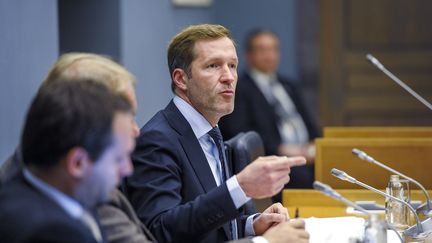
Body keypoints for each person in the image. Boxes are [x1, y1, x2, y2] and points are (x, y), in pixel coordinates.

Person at [124, 24, 307, 243]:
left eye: (232, 65)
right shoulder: (157, 140)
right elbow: (160, 230)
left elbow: (211, 221)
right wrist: (241, 187)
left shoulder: (211, 129)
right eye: (213, 66)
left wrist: (252, 225)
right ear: (181, 79)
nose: (228, 77)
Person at [0, 80, 135, 242]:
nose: (128, 169)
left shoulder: (23, 189)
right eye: (118, 159)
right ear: (77, 163)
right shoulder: (54, 234)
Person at [219, 29, 319, 192]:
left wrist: (316, 145)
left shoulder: (289, 85)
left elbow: (309, 123)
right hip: (273, 159)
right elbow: (239, 131)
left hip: (307, 153)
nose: (269, 55)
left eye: (273, 49)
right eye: (263, 50)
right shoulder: (240, 89)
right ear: (248, 56)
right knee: (302, 176)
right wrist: (281, 149)